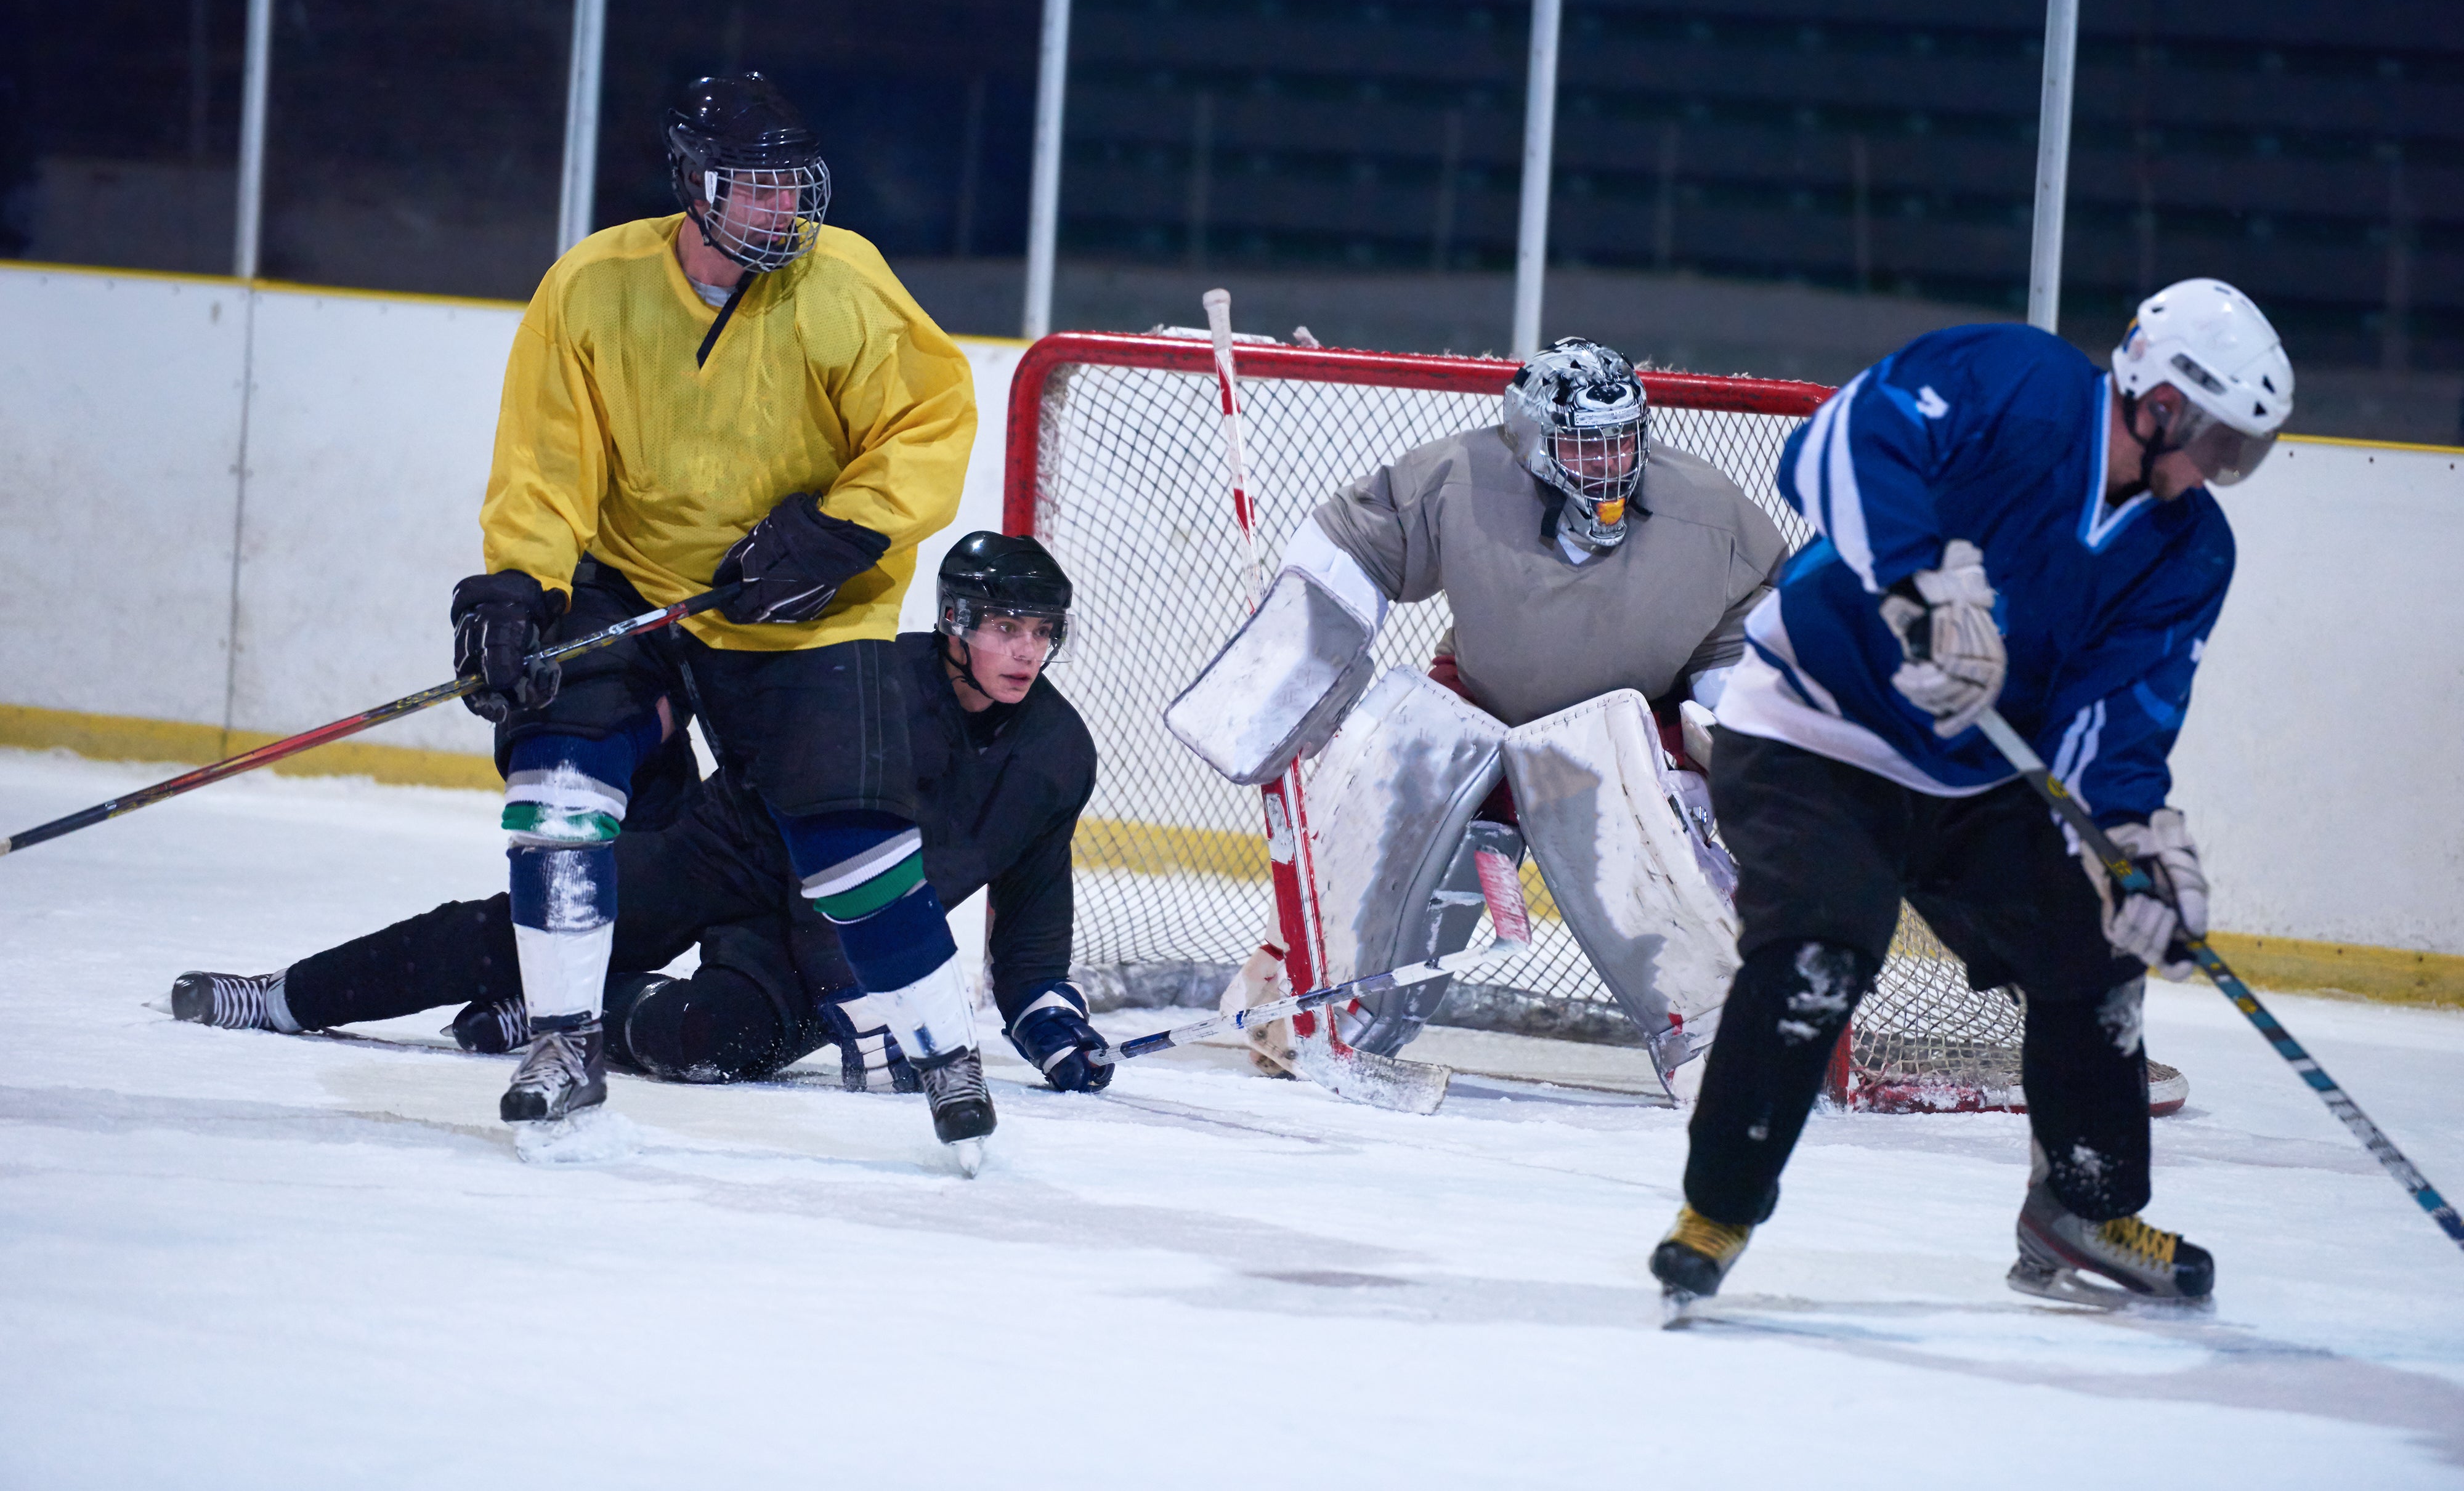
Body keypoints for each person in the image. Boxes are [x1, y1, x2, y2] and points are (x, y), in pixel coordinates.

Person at [1650, 278, 2293, 1313]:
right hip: (1813, 729)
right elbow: (1830, 446)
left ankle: (2083, 1207)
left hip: (1975, 779)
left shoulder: (2190, 550)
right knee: (1819, 949)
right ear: (2160, 401)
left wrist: (2130, 838)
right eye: (2219, 443)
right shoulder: (2014, 379)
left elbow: (2121, 711)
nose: (2219, 473)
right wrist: (1921, 587)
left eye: (2242, 454)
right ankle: (1716, 1209)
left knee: (2096, 943)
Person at [435, 71, 979, 1148]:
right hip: (631, 575)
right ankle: (565, 1041)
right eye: (755, 187)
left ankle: (946, 1053)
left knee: (849, 836)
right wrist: (519, 586)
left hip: (807, 593)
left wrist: (843, 526)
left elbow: (932, 419)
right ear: (694, 185)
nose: (784, 208)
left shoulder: (846, 282)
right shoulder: (593, 285)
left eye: (794, 185)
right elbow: (546, 461)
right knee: (556, 785)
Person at [167, 535, 1113, 1101]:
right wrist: (872, 1003)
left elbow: (1032, 911)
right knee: (528, 928)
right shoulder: (876, 683)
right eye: (1005, 627)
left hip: (838, 935)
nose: (1025, 652)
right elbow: (822, 853)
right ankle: (286, 996)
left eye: (1041, 633)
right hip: (731, 848)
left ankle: (578, 1009)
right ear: (955, 622)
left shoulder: (1058, 754)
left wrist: (1051, 1026)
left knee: (708, 1045)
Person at [1172, 337, 1788, 1071]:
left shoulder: (1710, 512)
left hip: (1621, 724)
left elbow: (1746, 628)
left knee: (1650, 837)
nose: (1609, 462)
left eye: (1622, 439)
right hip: (1481, 699)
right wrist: (1296, 655)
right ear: (1531, 437)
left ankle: (1722, 1039)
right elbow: (1361, 541)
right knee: (1395, 801)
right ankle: (1317, 1002)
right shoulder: (1461, 475)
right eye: (1585, 443)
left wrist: (1732, 733)